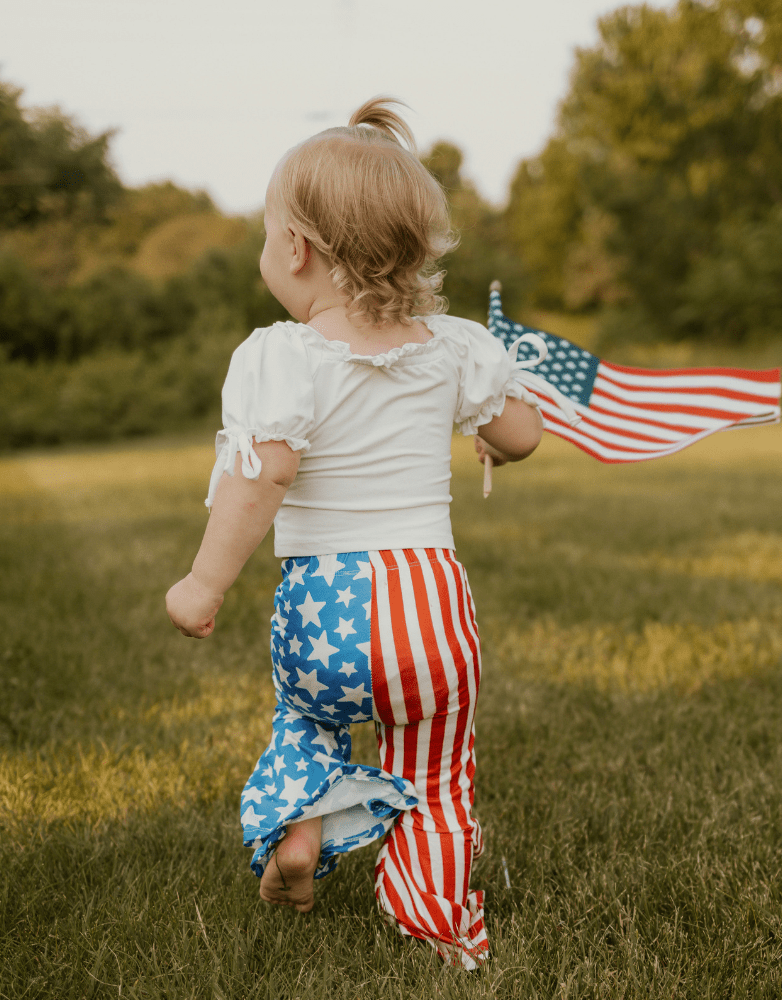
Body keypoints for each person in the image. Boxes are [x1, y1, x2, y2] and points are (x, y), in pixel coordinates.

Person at [165, 97, 543, 970]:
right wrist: (498, 408)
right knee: (439, 774)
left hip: (326, 605)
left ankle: (300, 827)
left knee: (305, 722)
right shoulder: (454, 348)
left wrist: (204, 584)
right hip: (431, 605)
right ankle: (440, 924)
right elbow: (518, 436)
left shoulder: (281, 355)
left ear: (295, 248)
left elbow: (262, 479)